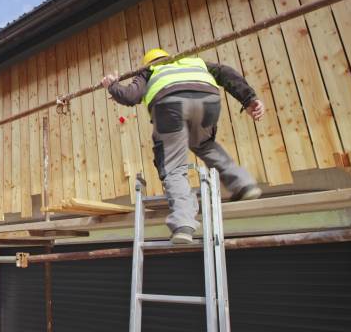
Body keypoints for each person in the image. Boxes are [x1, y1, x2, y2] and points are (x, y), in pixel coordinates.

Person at [102, 48, 265, 244]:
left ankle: (183, 223)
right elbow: (226, 72)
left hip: (169, 105)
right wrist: (249, 99)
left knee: (174, 167)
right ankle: (243, 184)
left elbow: (130, 96)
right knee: (205, 145)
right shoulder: (193, 62)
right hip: (207, 100)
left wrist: (112, 85)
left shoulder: (149, 70)